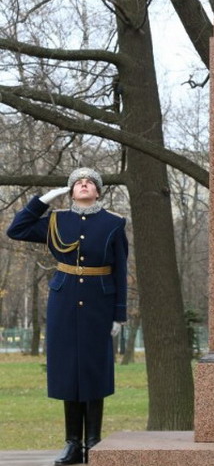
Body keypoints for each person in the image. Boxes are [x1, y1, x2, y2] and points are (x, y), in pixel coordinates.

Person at [6, 168, 128, 465]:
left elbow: (121, 270)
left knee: (93, 369)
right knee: (68, 370)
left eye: (89, 182)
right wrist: (44, 200)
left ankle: (93, 442)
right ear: (71, 191)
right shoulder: (55, 221)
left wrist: (119, 314)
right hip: (64, 300)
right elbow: (16, 229)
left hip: (100, 301)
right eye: (77, 183)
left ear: (98, 191)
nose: (83, 184)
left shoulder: (114, 223)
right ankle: (73, 444)